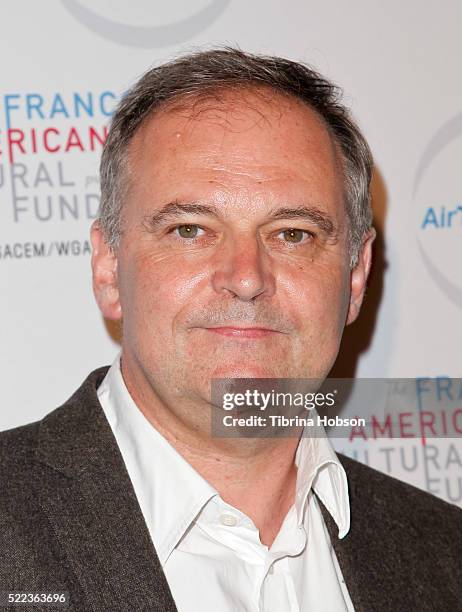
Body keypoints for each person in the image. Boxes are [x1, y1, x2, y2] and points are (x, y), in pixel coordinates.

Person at [1, 47, 460, 612]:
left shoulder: (446, 557)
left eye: (293, 234)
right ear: (108, 267)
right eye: (190, 230)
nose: (246, 279)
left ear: (357, 276)